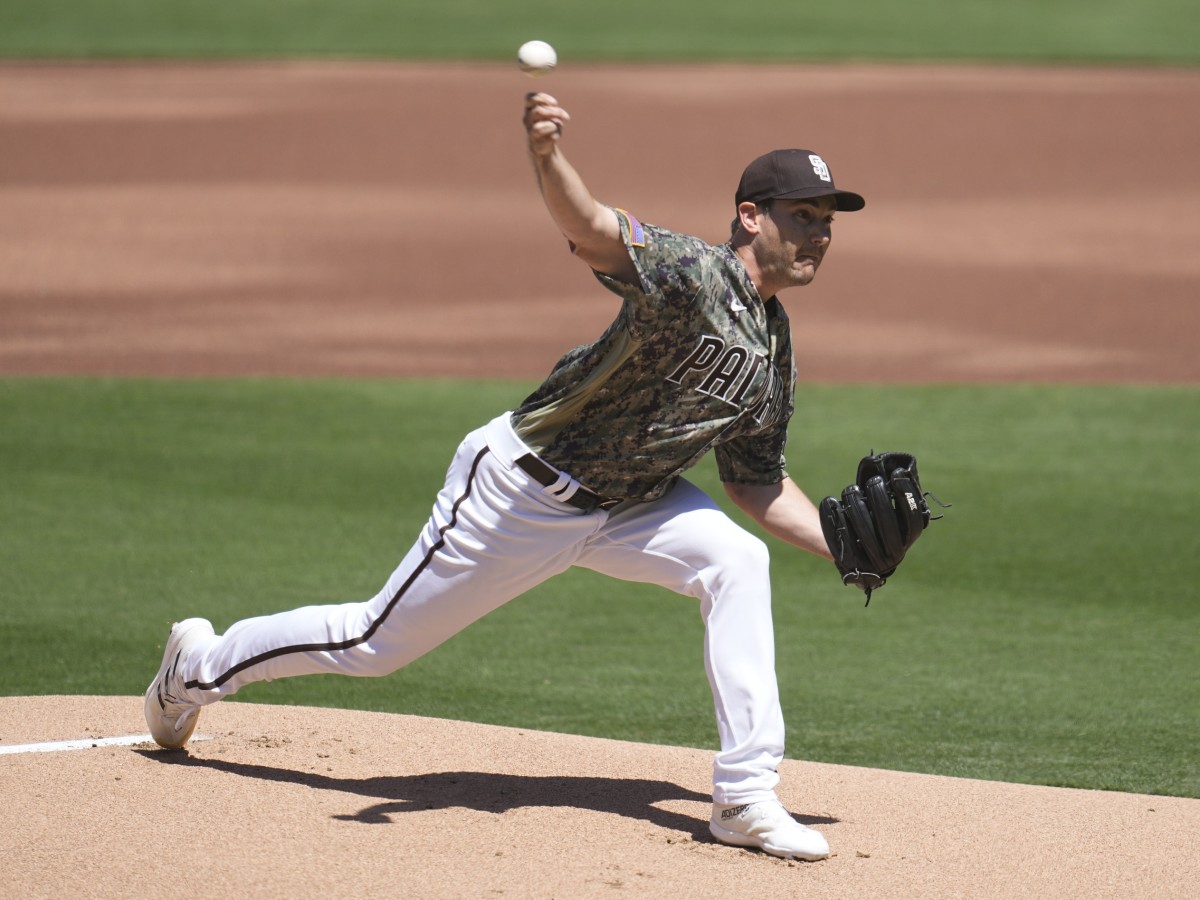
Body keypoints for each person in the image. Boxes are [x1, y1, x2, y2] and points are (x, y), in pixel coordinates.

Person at [145, 91, 866, 863]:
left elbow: (754, 481)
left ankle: (745, 798)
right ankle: (196, 666)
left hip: (630, 507)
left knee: (736, 561)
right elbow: (591, 229)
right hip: (522, 491)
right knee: (373, 642)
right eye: (803, 215)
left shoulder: (774, 349)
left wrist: (842, 546)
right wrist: (547, 155)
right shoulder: (693, 272)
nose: (819, 234)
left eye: (827, 220)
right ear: (752, 215)